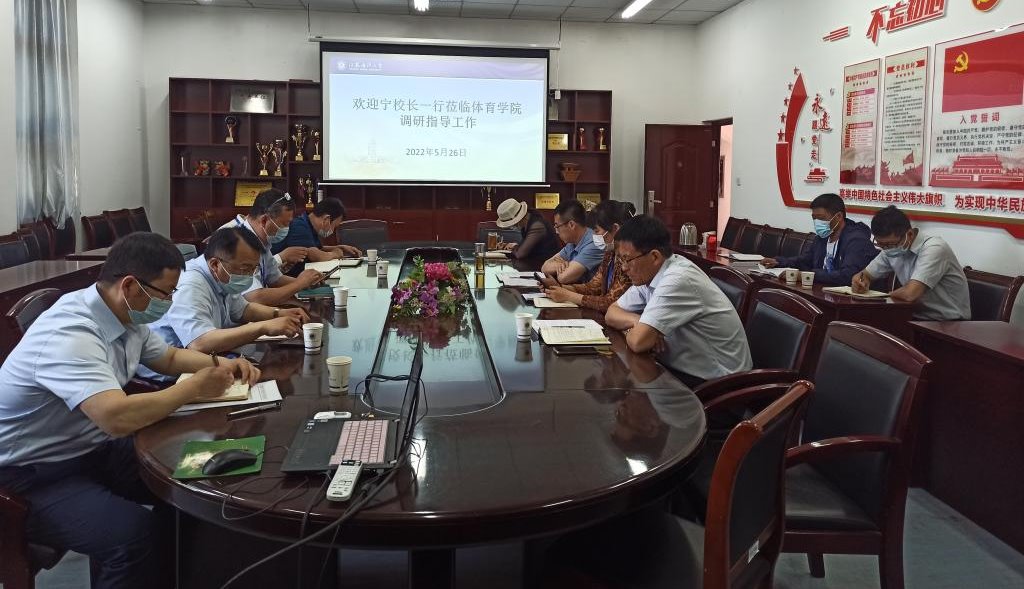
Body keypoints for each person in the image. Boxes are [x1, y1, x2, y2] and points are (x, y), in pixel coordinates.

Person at [0, 232, 259, 589]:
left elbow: (168, 357)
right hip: (30, 475)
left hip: (87, 448)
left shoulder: (123, 314)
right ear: (130, 286)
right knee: (132, 534)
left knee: (192, 478)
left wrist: (220, 364)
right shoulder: (70, 333)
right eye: (165, 293)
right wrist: (193, 388)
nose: (170, 301)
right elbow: (116, 417)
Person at [606, 215, 752, 388]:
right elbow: (611, 312)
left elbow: (638, 342)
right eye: (621, 260)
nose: (624, 268)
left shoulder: (677, 279)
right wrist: (637, 321)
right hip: (680, 370)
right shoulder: (650, 273)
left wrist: (638, 331)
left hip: (720, 382)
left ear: (654, 257)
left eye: (627, 259)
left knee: (626, 389)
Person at [150, 227, 309, 354]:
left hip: (206, 359)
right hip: (172, 375)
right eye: (245, 269)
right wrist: (263, 327)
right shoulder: (191, 285)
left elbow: (243, 310)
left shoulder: (223, 277)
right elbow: (199, 343)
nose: (249, 275)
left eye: (253, 269)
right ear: (215, 264)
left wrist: (279, 314)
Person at [852, 205, 971, 320]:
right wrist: (860, 281)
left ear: (909, 234)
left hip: (949, 323)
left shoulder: (934, 248)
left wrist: (884, 296)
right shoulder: (891, 248)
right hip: (914, 317)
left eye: (889, 244)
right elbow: (865, 274)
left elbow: (910, 294)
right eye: (881, 244)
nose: (886, 249)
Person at [218, 189, 324, 305]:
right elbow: (255, 297)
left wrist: (307, 282)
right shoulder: (238, 241)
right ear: (264, 220)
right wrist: (299, 284)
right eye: (284, 224)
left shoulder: (261, 238)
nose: (286, 229)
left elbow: (274, 279)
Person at [762, 192, 877, 286]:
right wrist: (779, 262)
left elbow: (847, 276)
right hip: (819, 291)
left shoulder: (857, 240)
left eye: (821, 218)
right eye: (814, 218)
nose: (817, 223)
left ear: (838, 216)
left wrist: (807, 276)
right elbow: (805, 260)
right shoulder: (822, 237)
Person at [544, 200, 634, 312]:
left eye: (597, 231)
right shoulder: (610, 253)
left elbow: (610, 303)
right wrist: (558, 287)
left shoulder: (630, 259)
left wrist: (568, 296)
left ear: (615, 229)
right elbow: (593, 287)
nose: (594, 236)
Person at [270, 198, 362, 276]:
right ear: (326, 219)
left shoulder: (308, 224)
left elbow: (316, 248)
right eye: (334, 226)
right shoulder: (300, 227)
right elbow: (315, 255)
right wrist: (336, 254)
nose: (333, 230)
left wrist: (340, 247)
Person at [540, 200, 605, 284]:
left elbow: (564, 278)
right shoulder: (572, 242)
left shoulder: (595, 243)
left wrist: (564, 264)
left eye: (557, 226)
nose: (556, 231)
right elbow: (544, 267)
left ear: (571, 225)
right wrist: (562, 265)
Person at [493, 198, 561, 260]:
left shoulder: (537, 226)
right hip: (535, 263)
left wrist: (513, 247)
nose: (512, 227)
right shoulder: (527, 223)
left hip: (545, 265)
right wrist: (508, 246)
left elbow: (520, 254)